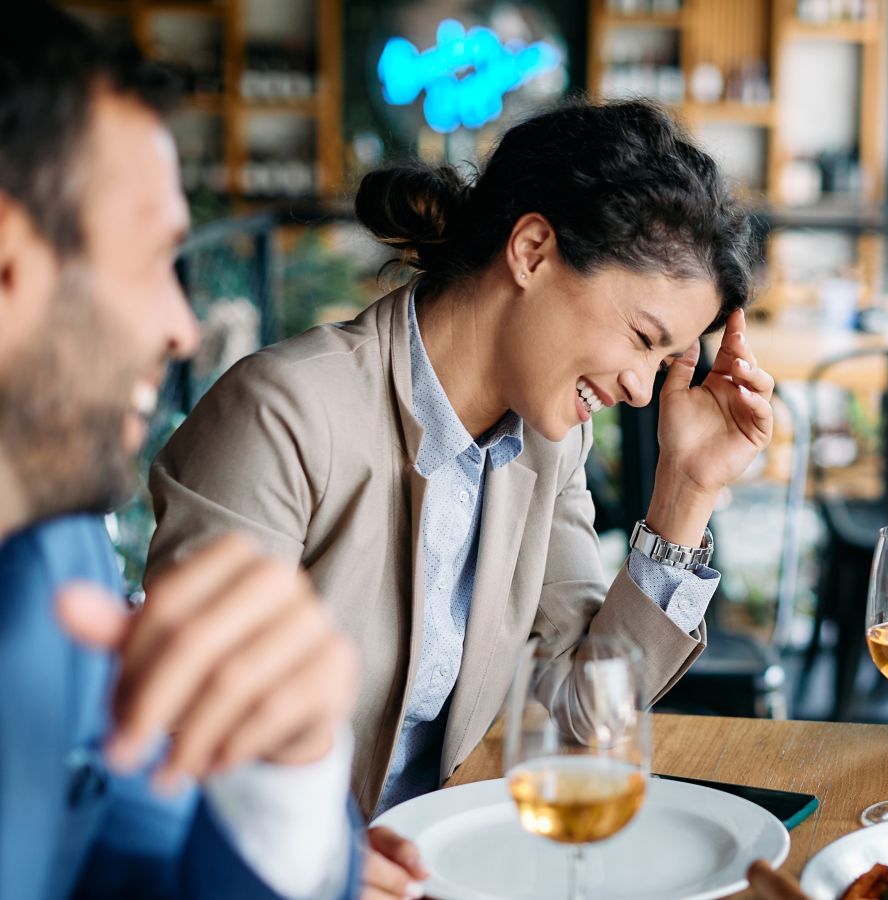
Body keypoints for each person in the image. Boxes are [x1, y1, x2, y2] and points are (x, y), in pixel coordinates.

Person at [146, 100, 773, 895]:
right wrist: (322, 862)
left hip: (454, 869)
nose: (643, 391)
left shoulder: (549, 442)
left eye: (669, 361)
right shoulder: (284, 416)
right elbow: (181, 733)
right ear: (533, 252)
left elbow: (586, 711)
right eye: (644, 340)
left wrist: (687, 489)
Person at [0, 7, 362, 898]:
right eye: (156, 256)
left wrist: (283, 777)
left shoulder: (61, 550)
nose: (183, 326)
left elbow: (136, 851)